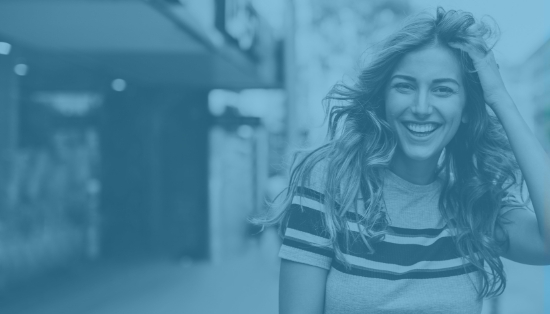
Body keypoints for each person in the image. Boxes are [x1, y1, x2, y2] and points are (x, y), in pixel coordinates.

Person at [253, 7, 550, 314]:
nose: (422, 107)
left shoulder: (473, 202)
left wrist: (500, 97)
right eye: (405, 86)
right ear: (383, 99)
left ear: (465, 110)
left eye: (442, 90)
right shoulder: (327, 185)